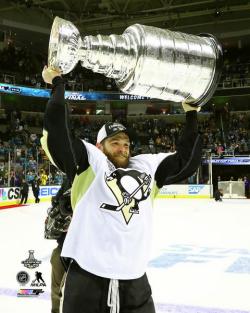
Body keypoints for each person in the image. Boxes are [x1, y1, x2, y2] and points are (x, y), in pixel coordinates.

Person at [41, 66, 202, 313]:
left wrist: (191, 115)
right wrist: (58, 84)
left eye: (126, 143)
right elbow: (58, 136)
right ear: (100, 145)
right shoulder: (90, 163)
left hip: (135, 280)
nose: (123, 148)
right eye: (114, 143)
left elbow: (186, 160)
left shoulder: (146, 167)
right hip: (87, 279)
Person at [45, 176, 72, 313]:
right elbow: (57, 199)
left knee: (76, 291)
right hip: (62, 249)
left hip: (81, 254)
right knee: (56, 290)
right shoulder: (68, 179)